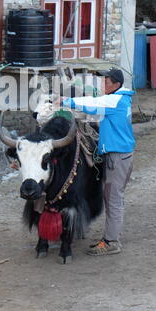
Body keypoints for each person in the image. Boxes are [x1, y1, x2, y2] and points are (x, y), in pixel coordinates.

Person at [62, 68, 135, 256]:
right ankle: (111, 238)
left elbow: (93, 104)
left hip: (117, 157)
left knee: (113, 199)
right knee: (113, 197)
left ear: (116, 84)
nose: (103, 85)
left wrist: (66, 101)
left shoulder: (114, 100)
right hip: (120, 155)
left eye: (106, 82)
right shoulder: (121, 98)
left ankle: (111, 242)